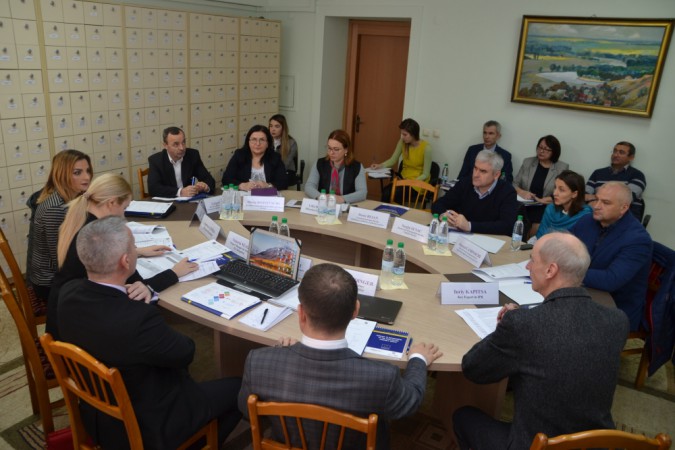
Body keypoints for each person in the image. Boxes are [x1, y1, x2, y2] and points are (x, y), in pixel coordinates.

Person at [57, 216, 241, 449]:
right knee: (239, 388)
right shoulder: (137, 319)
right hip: (148, 425)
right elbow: (185, 352)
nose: (136, 251)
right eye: (134, 247)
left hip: (96, 415)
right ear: (126, 261)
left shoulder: (68, 293)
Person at [453, 232, 629, 450]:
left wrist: (507, 326)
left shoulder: (523, 325)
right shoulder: (617, 321)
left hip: (539, 445)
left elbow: (473, 369)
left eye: (532, 260)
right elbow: (568, 336)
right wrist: (520, 319)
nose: (528, 267)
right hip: (596, 444)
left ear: (550, 270)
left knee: (463, 416)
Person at [238, 263, 442, 449]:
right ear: (355, 311)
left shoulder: (259, 362)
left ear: (301, 313)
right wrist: (418, 359)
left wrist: (280, 352)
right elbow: (410, 401)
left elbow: (247, 411)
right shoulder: (381, 377)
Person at [46, 173, 197, 340]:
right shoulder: (98, 234)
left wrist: (138, 251)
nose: (124, 217)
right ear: (111, 203)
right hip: (80, 327)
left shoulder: (84, 223)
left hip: (65, 311)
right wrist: (174, 273)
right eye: (124, 208)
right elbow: (138, 285)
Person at [572, 181, 653, 330]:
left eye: (606, 203)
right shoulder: (587, 220)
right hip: (582, 293)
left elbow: (611, 279)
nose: (596, 206)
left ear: (624, 208)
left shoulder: (638, 240)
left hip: (615, 310)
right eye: (596, 199)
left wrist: (566, 271)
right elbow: (563, 244)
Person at [29, 150, 92, 301]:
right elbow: (62, 260)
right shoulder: (55, 209)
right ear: (62, 175)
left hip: (64, 272)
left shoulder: (74, 197)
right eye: (77, 172)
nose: (87, 177)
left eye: (88, 170)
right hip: (51, 283)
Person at [431, 150, 517, 235]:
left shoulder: (507, 192)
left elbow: (507, 225)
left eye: (483, 171)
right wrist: (442, 215)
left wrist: (469, 226)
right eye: (475, 168)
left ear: (496, 175)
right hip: (460, 237)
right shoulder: (465, 183)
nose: (476, 175)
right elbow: (438, 203)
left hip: (489, 239)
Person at [513, 135, 569, 235]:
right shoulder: (528, 162)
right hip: (524, 205)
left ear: (554, 152)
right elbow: (514, 184)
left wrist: (544, 200)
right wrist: (521, 192)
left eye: (546, 149)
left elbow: (563, 192)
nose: (541, 151)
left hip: (545, 206)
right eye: (540, 147)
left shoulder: (562, 168)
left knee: (536, 227)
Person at [370, 118, 432, 202]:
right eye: (402, 134)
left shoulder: (426, 148)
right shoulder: (402, 142)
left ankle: (393, 210)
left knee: (394, 194)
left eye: (405, 134)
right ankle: (385, 210)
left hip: (417, 183)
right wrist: (380, 165)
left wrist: (411, 181)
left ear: (413, 134)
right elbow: (392, 160)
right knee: (386, 192)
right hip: (403, 179)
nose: (402, 137)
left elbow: (426, 174)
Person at [147, 126, 216, 197]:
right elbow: (153, 189)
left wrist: (205, 186)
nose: (182, 148)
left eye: (183, 142)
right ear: (165, 145)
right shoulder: (156, 161)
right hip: (169, 201)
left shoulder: (192, 155)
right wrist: (180, 192)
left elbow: (209, 180)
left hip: (189, 201)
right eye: (176, 144)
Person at [585, 141, 647, 219]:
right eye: (614, 151)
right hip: (595, 216)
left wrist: (595, 198)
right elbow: (585, 196)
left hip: (625, 219)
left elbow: (626, 199)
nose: (615, 155)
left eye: (621, 152)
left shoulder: (637, 175)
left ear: (631, 157)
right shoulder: (598, 173)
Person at [304, 129, 367, 204]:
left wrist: (342, 199)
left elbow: (362, 193)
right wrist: (321, 197)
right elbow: (309, 186)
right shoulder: (319, 163)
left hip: (346, 206)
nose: (331, 153)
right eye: (329, 148)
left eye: (336, 149)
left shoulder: (357, 167)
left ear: (346, 150)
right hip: (324, 205)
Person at [221, 124, 288, 191]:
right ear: (248, 142)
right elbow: (226, 179)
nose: (257, 143)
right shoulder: (239, 155)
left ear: (267, 143)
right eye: (254, 139)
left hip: (267, 196)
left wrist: (268, 185)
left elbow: (283, 182)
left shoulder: (275, 157)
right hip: (244, 195)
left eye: (262, 140)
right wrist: (242, 185)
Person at [534, 170, 592, 240]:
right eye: (555, 187)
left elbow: (580, 244)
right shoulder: (550, 208)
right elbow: (540, 236)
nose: (555, 193)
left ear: (574, 194)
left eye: (561, 190)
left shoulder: (585, 216)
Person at [269, 114, 299, 187]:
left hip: (287, 171)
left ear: (283, 128)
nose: (273, 129)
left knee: (278, 179)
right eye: (271, 126)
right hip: (269, 170)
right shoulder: (266, 141)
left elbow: (285, 164)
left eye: (277, 126)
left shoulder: (291, 143)